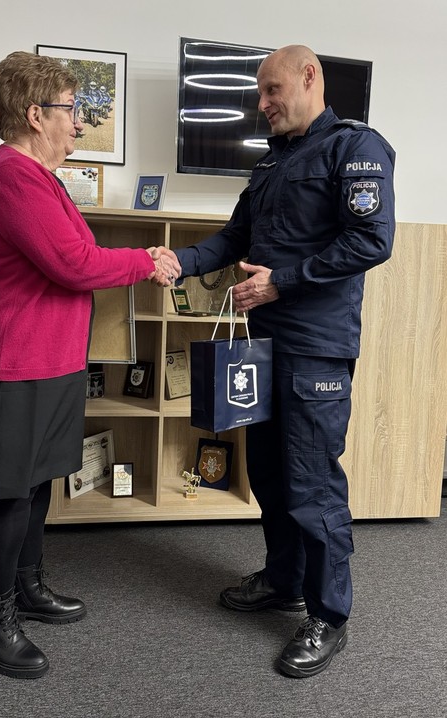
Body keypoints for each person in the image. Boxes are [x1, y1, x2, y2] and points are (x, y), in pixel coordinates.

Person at [166, 44, 396, 677]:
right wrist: (178, 262)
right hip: (263, 344)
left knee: (312, 483)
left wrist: (281, 282)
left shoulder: (355, 147)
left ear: (309, 76)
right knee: (268, 472)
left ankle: (328, 616)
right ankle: (284, 580)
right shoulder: (272, 161)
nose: (262, 104)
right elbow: (235, 238)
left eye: (272, 90)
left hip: (314, 346)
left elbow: (372, 240)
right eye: (259, 94)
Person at [0, 50, 180, 680]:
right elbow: (74, 263)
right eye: (70, 110)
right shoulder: (10, 176)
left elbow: (78, 251)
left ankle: (26, 587)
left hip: (51, 362)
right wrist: (145, 262)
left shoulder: (45, 178)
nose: (78, 123)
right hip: (14, 364)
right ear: (36, 115)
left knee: (35, 485)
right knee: (8, 496)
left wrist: (128, 259)